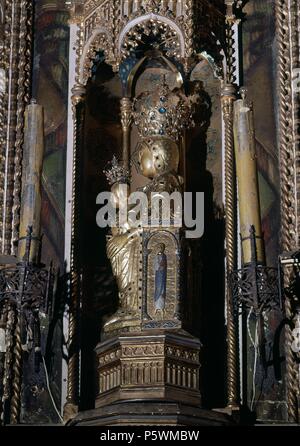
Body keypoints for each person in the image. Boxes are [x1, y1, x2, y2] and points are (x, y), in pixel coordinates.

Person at [154, 243, 167, 316]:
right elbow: (156, 264)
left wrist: (162, 265)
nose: (161, 248)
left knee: (162, 290)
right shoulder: (158, 256)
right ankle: (156, 306)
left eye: (162, 247)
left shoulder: (164, 256)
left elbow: (164, 264)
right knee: (158, 288)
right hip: (158, 273)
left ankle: (162, 307)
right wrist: (159, 265)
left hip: (163, 274)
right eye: (160, 247)